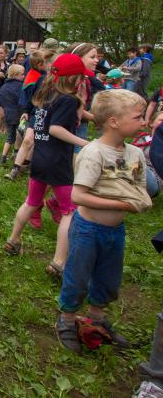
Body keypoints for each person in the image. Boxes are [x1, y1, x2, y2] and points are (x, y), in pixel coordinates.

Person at [55, 89, 152, 353]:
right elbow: (78, 195)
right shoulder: (94, 153)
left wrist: (135, 201)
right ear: (113, 121)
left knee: (109, 277)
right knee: (78, 275)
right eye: (138, 117)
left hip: (115, 230)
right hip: (87, 229)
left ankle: (96, 317)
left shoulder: (136, 154)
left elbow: (140, 189)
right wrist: (123, 204)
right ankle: (66, 319)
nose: (144, 121)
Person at [3, 54, 91, 278]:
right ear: (74, 79)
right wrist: (85, 143)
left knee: (31, 202)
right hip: (57, 162)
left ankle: (13, 240)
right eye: (81, 77)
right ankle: (59, 262)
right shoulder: (68, 100)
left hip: (40, 159)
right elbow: (56, 129)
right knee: (69, 211)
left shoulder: (47, 96)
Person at [5, 49, 55, 182]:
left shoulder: (48, 77)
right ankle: (15, 169)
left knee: (37, 141)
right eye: (47, 62)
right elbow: (30, 97)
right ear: (40, 64)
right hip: (36, 113)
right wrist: (26, 111)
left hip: (49, 113)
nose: (49, 65)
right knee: (28, 140)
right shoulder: (34, 77)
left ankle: (25, 165)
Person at [0, 64, 25, 164]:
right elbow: (23, 101)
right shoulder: (21, 86)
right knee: (21, 134)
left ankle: (3, 157)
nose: (24, 76)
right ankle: (17, 155)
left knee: (10, 136)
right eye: (22, 74)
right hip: (20, 116)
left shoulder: (4, 86)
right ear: (16, 75)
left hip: (8, 116)